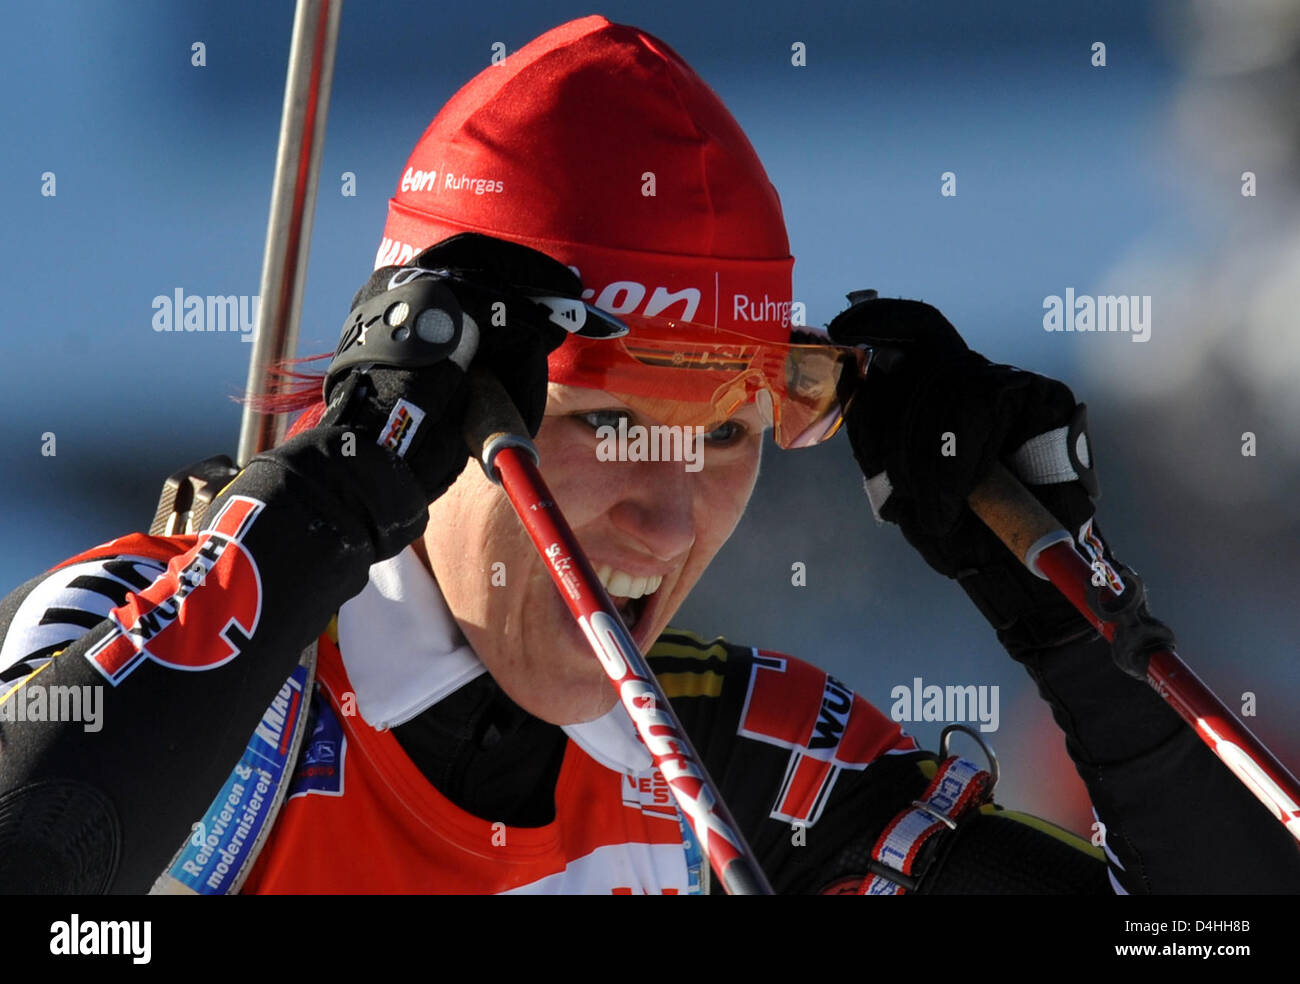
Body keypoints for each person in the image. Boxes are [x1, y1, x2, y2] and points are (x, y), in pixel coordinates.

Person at [0, 15, 1295, 895]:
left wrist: (1080, 635)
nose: (669, 522)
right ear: (452, 408)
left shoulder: (746, 763)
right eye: (613, 421)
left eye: (729, 433)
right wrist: (330, 491)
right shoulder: (189, 653)